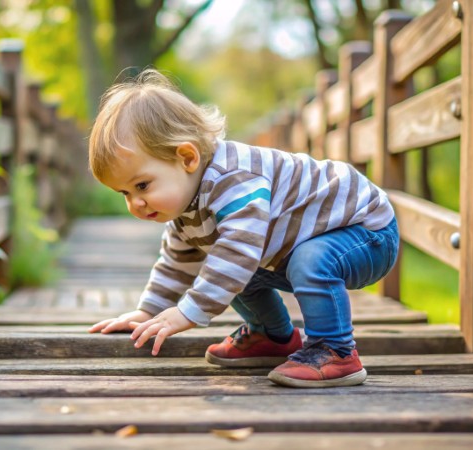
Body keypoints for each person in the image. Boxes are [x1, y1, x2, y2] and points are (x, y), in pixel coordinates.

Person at [87, 68, 399, 388]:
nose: (136, 203)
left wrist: (188, 312)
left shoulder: (233, 179)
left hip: (365, 233)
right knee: (225, 261)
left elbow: (236, 254)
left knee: (292, 258)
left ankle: (335, 351)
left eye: (142, 185)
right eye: (125, 193)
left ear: (186, 157)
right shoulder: (184, 206)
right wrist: (148, 311)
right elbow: (176, 263)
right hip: (303, 242)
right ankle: (272, 335)